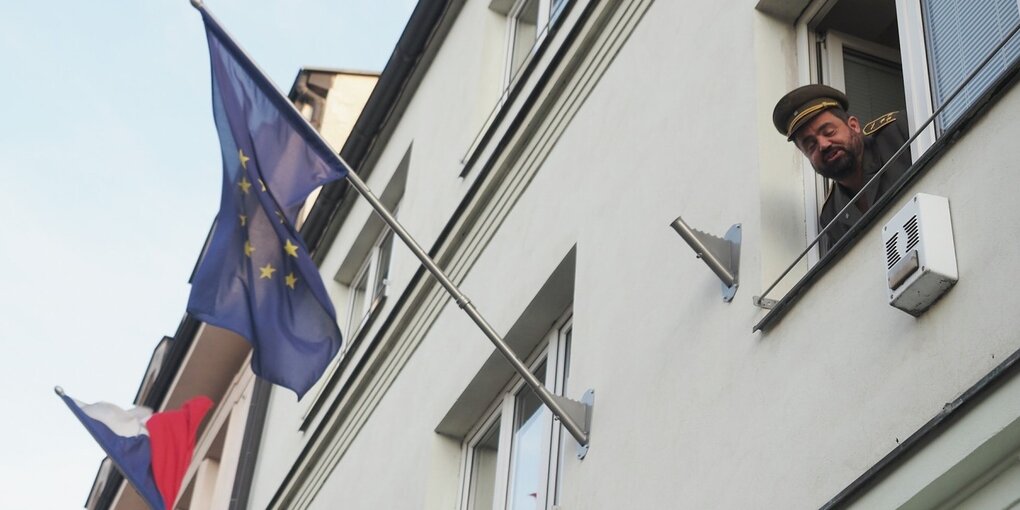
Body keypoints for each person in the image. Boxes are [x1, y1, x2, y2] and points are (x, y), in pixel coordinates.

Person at [772, 84, 911, 255]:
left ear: (853, 126)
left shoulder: (898, 133)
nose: (823, 145)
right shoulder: (831, 215)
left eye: (829, 132)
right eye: (810, 145)